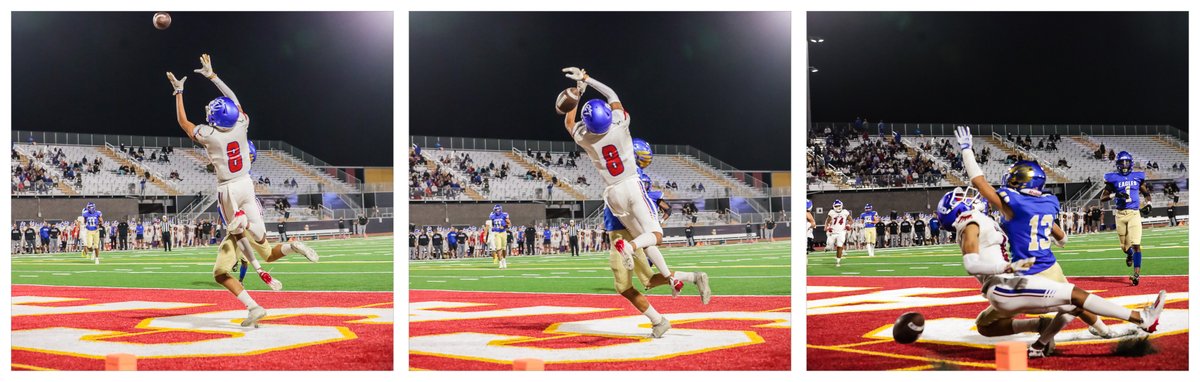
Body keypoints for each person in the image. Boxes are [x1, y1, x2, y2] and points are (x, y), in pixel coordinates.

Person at [167, 53, 317, 328]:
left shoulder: (210, 136)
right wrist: (213, 76)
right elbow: (234, 97)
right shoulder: (242, 123)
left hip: (228, 190)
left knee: (222, 267)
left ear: (213, 118)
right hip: (247, 184)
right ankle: (289, 246)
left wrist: (179, 92)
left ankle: (253, 305)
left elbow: (184, 122)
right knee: (267, 250)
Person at [935, 186, 1165, 358]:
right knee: (1075, 296)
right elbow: (971, 264)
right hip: (1006, 286)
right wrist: (1006, 266)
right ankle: (1141, 319)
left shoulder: (979, 221)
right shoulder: (970, 222)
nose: (971, 197)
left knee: (985, 325)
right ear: (959, 210)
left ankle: (1039, 339)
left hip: (1007, 288)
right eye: (963, 198)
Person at [954, 125, 1117, 339]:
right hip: (1050, 265)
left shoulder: (1013, 204)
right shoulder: (1045, 203)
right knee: (1074, 299)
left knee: (988, 322)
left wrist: (967, 150)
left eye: (1015, 177)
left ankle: (1043, 332)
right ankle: (1104, 329)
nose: (1010, 180)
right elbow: (1062, 238)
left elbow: (979, 182)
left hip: (1026, 271)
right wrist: (1052, 238)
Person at [561, 67, 682, 303]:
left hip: (612, 194)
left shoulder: (584, 136)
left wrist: (577, 94)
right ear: (607, 116)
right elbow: (612, 95)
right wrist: (587, 80)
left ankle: (669, 277)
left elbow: (568, 122)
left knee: (643, 235)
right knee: (655, 235)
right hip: (631, 185)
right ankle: (631, 247)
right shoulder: (620, 123)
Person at [1099, 151, 1153, 286]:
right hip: (1120, 215)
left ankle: (1136, 275)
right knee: (1124, 246)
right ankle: (1129, 254)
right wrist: (1115, 194)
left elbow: (1146, 193)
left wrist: (1149, 204)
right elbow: (1102, 198)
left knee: (1136, 245)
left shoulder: (1137, 177)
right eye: (1122, 162)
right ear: (1117, 164)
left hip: (1134, 213)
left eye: (1126, 162)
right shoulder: (1112, 178)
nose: (1124, 165)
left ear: (1131, 163)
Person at [825, 200, 851, 267]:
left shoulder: (845, 212)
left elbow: (850, 220)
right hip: (833, 232)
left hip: (841, 232)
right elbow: (827, 221)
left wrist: (848, 225)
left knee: (839, 246)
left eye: (839, 206)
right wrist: (828, 227)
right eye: (836, 206)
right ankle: (828, 246)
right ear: (833, 206)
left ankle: (838, 261)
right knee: (830, 246)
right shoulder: (831, 212)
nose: (838, 207)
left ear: (841, 205)